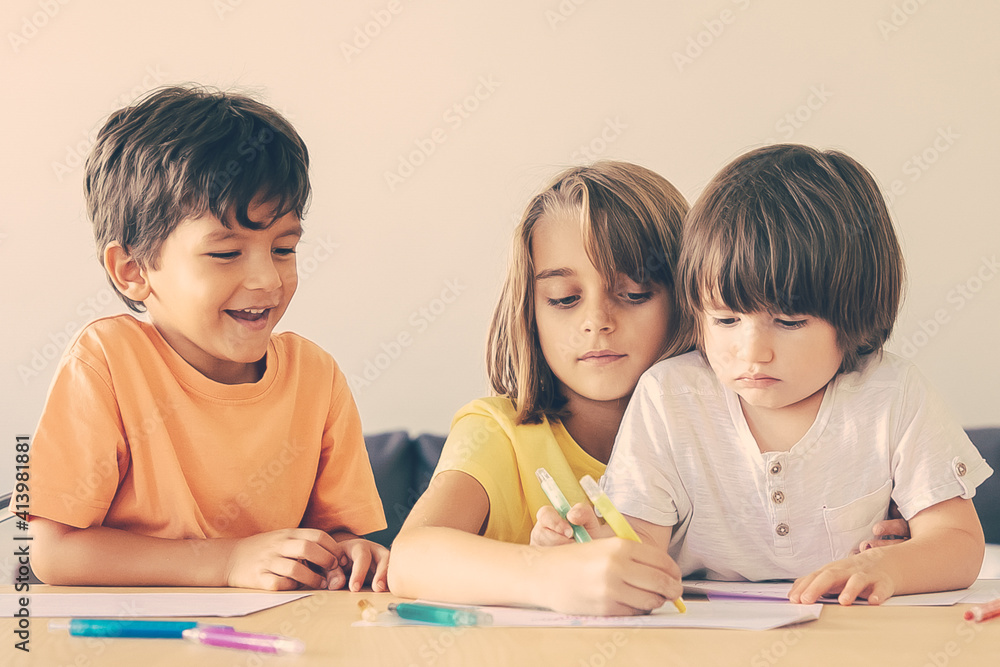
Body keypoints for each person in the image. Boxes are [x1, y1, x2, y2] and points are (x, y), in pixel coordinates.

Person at [387, 160, 907, 614]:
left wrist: (889, 551)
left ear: (695, 297)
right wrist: (548, 576)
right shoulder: (501, 432)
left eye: (634, 292)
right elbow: (410, 558)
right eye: (565, 298)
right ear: (530, 311)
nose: (596, 322)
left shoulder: (755, 414)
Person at [537, 144, 991, 607]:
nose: (752, 352)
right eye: (726, 320)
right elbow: (638, 546)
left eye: (789, 322)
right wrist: (590, 546)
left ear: (856, 314)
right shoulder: (669, 396)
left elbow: (957, 542)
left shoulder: (893, 394)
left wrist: (888, 568)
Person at [25, 86, 389, 592]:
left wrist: (348, 554)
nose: (267, 279)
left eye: (283, 248)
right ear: (132, 271)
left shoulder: (317, 377)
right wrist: (227, 562)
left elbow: (339, 533)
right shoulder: (106, 362)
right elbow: (52, 552)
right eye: (225, 254)